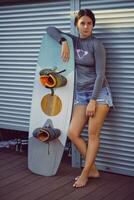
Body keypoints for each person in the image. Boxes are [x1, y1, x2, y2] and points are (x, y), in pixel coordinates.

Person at [46, 9, 113, 188]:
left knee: (92, 135)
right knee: (73, 133)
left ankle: (85, 173)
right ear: (77, 24)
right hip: (80, 94)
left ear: (93, 25)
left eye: (89, 23)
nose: (86, 26)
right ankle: (93, 169)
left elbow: (100, 74)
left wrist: (93, 100)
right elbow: (50, 29)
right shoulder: (72, 41)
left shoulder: (96, 45)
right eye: (82, 23)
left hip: (98, 94)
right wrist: (63, 42)